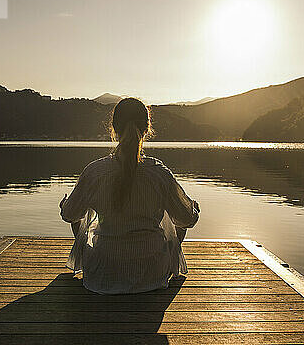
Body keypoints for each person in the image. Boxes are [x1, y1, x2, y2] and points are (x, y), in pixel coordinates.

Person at [60, 97, 200, 294]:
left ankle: (82, 264)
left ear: (114, 129)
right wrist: (192, 210)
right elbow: (187, 220)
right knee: (178, 213)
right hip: (152, 275)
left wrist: (66, 205)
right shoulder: (159, 173)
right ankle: (168, 264)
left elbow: (69, 215)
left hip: (102, 273)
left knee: (77, 214)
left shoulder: (94, 172)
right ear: (146, 129)